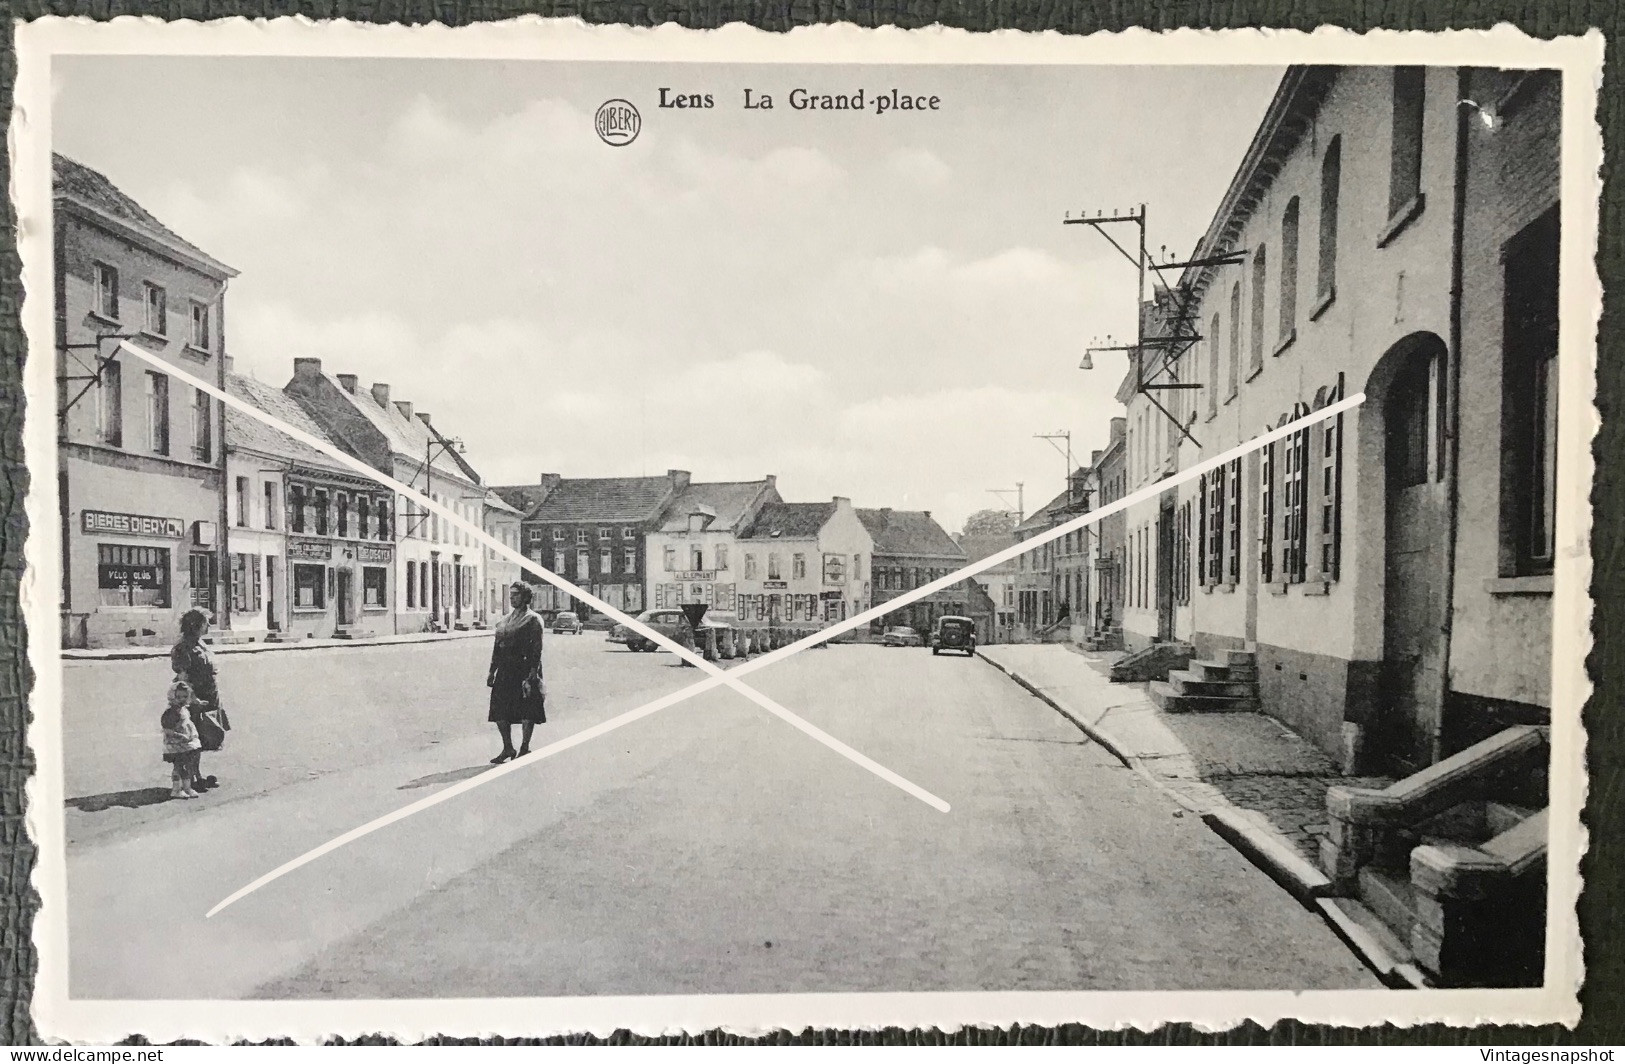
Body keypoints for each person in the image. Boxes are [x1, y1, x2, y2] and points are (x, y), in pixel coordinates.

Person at [487, 582, 546, 763]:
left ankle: (524, 747)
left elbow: (537, 649)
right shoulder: (505, 620)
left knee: (527, 709)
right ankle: (508, 748)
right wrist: (492, 671)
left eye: (516, 595)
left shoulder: (533, 619)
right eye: (510, 595)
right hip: (505, 669)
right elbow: (497, 647)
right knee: (499, 711)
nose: (512, 598)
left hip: (525, 668)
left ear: (525, 597)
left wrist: (533, 673)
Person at [170, 608, 227, 790]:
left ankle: (196, 775)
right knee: (191, 741)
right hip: (194, 701)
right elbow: (183, 678)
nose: (209, 625)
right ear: (195, 626)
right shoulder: (183, 647)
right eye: (205, 623)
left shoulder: (200, 643)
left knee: (203, 738)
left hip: (207, 697)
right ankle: (193, 778)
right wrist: (192, 700)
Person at [161, 679, 203, 800]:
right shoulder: (171, 712)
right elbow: (168, 730)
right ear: (172, 696)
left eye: (185, 696)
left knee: (187, 765)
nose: (182, 699)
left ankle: (187, 787)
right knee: (179, 766)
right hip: (177, 745)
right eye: (178, 697)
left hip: (186, 744)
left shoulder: (183, 709)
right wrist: (180, 736)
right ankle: (176, 789)